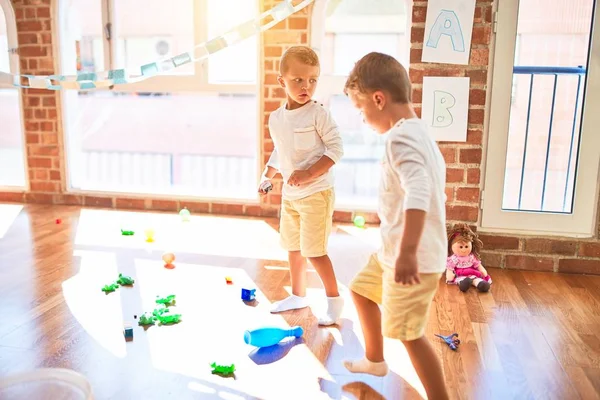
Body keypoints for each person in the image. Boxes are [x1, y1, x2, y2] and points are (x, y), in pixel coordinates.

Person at [342, 52, 449, 400]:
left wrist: (407, 252)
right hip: (392, 252)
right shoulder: (418, 132)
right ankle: (375, 360)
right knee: (361, 290)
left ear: (378, 98)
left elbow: (420, 192)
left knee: (409, 333)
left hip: (410, 259)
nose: (363, 117)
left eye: (362, 109)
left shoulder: (399, 139)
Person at [259, 46, 344, 326]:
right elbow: (280, 151)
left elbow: (336, 149)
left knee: (315, 251)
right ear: (282, 81)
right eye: (298, 80)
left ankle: (334, 300)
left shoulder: (319, 114)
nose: (306, 86)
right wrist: (268, 175)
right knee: (293, 248)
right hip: (291, 196)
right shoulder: (277, 118)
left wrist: (308, 174)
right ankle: (298, 295)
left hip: (316, 194)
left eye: (312, 80)